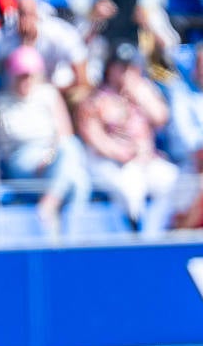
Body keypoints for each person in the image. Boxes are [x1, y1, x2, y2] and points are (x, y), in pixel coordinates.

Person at [0, 45, 91, 237]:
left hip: (53, 160)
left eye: (29, 75)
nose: (25, 80)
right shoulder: (0, 104)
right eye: (21, 75)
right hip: (20, 165)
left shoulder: (49, 95)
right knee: (74, 173)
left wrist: (49, 157)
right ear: (11, 75)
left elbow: (65, 135)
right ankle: (59, 225)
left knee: (78, 178)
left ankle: (65, 228)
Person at [76, 46, 180, 236]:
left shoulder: (143, 91)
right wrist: (120, 152)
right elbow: (92, 135)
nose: (125, 72)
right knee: (131, 188)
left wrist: (138, 94)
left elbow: (161, 117)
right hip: (112, 162)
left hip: (146, 160)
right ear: (109, 69)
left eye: (130, 67)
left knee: (173, 181)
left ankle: (155, 233)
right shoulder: (97, 98)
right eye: (121, 67)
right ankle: (134, 238)